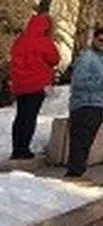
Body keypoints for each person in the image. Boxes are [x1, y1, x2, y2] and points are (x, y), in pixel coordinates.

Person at [8, 12, 60, 160]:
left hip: (20, 85)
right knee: (30, 117)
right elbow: (54, 59)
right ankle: (24, 149)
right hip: (37, 85)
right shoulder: (44, 41)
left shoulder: (20, 40)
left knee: (20, 116)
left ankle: (16, 147)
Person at [65, 27, 103, 178]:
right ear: (94, 40)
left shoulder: (102, 60)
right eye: (101, 40)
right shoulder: (87, 57)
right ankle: (75, 172)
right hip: (84, 104)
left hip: (96, 104)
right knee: (80, 140)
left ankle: (78, 170)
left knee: (86, 140)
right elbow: (79, 81)